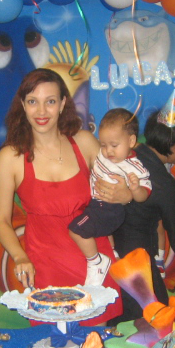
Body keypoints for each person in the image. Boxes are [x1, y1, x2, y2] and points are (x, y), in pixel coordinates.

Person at [0, 68, 123, 325]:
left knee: (95, 341)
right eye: (33, 101)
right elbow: (1, 220)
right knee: (53, 342)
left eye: (50, 101)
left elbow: (116, 191)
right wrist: (19, 257)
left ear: (63, 103)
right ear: (23, 105)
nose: (41, 111)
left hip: (94, 263)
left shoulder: (84, 142)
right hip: (45, 266)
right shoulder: (10, 157)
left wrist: (125, 193)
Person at [109, 102, 175, 324]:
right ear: (170, 143)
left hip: (108, 257)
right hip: (138, 264)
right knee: (153, 322)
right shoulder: (164, 183)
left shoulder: (128, 155)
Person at [68, 108, 151, 286]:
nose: (108, 151)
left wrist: (135, 190)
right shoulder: (103, 155)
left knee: (76, 230)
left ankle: (96, 261)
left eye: (114, 145)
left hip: (109, 209)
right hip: (97, 204)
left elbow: (143, 195)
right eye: (103, 145)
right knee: (104, 232)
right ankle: (113, 252)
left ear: (131, 141)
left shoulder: (135, 167)